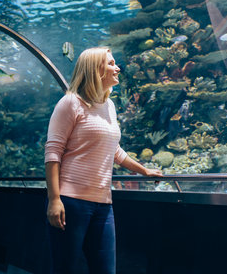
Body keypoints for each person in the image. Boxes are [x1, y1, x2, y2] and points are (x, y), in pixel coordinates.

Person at [45, 47, 162, 274]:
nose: (117, 68)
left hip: (103, 204)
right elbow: (52, 152)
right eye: (111, 63)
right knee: (64, 269)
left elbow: (114, 150)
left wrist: (143, 171)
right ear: (94, 69)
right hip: (71, 203)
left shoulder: (109, 106)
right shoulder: (70, 103)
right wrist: (54, 199)